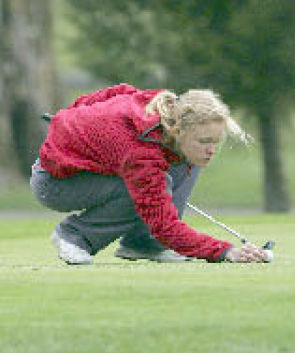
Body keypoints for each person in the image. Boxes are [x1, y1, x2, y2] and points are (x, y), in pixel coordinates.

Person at [30, 83, 267, 264]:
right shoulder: (142, 155)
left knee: (189, 160)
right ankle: (74, 236)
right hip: (54, 182)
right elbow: (166, 226)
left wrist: (76, 114)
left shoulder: (163, 106)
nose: (211, 150)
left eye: (215, 142)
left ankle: (144, 243)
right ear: (177, 130)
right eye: (204, 141)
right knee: (144, 187)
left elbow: (118, 91)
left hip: (98, 168)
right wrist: (226, 251)